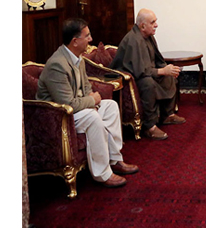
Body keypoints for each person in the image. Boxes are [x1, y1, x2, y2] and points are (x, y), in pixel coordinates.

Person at [37, 18, 139, 188]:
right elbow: (67, 103)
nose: (91, 39)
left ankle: (115, 159)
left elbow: (85, 86)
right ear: (75, 41)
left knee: (110, 106)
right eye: (87, 36)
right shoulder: (57, 64)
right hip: (58, 116)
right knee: (92, 117)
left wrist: (90, 98)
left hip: (76, 108)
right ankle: (103, 174)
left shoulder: (78, 58)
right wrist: (91, 100)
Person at [111, 9, 186, 140]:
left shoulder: (149, 37)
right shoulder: (134, 40)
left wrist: (168, 69)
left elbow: (158, 60)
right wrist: (162, 71)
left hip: (146, 73)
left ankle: (167, 115)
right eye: (153, 22)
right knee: (148, 83)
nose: (156, 25)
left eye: (155, 21)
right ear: (142, 26)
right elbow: (139, 70)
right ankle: (149, 126)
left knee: (169, 76)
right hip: (133, 78)